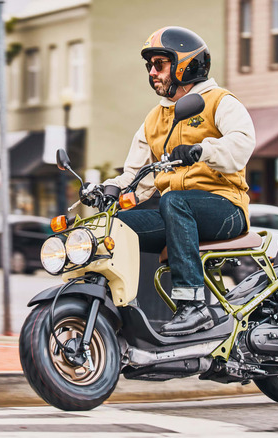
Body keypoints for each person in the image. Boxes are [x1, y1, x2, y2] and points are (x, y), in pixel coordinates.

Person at [103, 26, 255, 336]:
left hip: (225, 209)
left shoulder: (219, 102)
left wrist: (202, 151)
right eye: (149, 66)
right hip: (178, 214)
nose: (152, 73)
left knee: (174, 201)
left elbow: (241, 145)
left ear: (185, 64)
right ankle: (109, 308)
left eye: (159, 64)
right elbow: (136, 175)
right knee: (113, 227)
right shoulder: (154, 118)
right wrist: (111, 188)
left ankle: (193, 305)